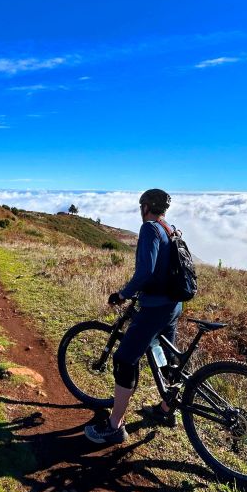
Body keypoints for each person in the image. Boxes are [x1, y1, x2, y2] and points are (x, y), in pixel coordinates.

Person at [84, 189, 182, 444]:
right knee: (167, 359)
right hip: (173, 305)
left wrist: (123, 294)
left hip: (156, 308)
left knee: (125, 358)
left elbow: (145, 272)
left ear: (146, 206)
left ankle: (114, 426)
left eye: (142, 207)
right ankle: (166, 409)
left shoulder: (150, 228)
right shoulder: (169, 228)